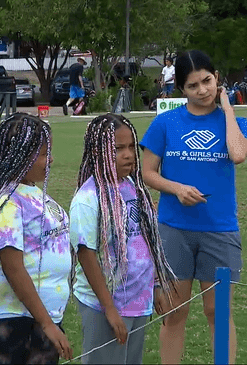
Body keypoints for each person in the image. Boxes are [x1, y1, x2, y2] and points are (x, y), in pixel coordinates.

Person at [140, 50, 247, 364]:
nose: (202, 90)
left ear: (217, 78)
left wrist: (227, 106)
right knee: (174, 311)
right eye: (193, 85)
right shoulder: (165, 124)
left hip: (219, 231)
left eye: (207, 80)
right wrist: (176, 188)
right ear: (181, 90)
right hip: (174, 230)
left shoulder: (237, 123)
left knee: (217, 311)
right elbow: (147, 172)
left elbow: (238, 154)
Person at [70, 114, 177, 364]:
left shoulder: (133, 187)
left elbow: (146, 240)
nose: (129, 154)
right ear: (98, 153)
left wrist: (156, 287)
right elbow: (86, 255)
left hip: (138, 300)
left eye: (131, 147)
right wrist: (109, 309)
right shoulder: (88, 199)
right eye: (118, 149)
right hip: (105, 306)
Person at [0, 113, 73, 364]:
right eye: (42, 154)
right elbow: (12, 267)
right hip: (17, 317)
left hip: (38, 315)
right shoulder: (8, 203)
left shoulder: (32, 192)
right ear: (18, 155)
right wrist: (47, 323)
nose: (50, 161)